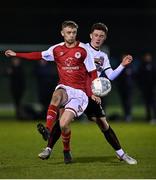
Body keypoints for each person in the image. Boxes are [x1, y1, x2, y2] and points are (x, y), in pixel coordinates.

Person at [37, 22, 137, 165]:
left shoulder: (103, 56)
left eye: (101, 36)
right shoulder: (80, 48)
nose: (98, 38)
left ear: (104, 38)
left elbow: (111, 76)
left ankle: (121, 154)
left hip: (90, 96)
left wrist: (122, 65)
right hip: (74, 91)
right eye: (96, 35)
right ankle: (48, 149)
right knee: (62, 121)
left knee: (103, 124)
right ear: (90, 35)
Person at [4, 20, 100, 163]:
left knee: (63, 125)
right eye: (68, 32)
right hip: (64, 88)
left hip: (79, 94)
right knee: (56, 95)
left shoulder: (84, 50)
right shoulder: (56, 49)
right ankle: (47, 129)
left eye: (74, 32)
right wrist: (16, 54)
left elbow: (93, 73)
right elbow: (37, 55)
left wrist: (95, 92)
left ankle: (66, 150)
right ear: (62, 33)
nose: (71, 35)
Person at [136, 52, 156, 124]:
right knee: (147, 104)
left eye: (148, 56)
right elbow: (138, 77)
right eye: (146, 56)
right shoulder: (142, 66)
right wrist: (140, 87)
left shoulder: (153, 66)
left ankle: (154, 117)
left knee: (154, 103)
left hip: (152, 88)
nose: (147, 58)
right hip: (145, 88)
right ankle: (149, 118)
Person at [115, 53, 134, 122]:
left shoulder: (130, 66)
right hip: (121, 87)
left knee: (128, 102)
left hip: (128, 87)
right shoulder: (119, 67)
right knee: (123, 102)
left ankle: (128, 115)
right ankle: (126, 115)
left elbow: (133, 77)